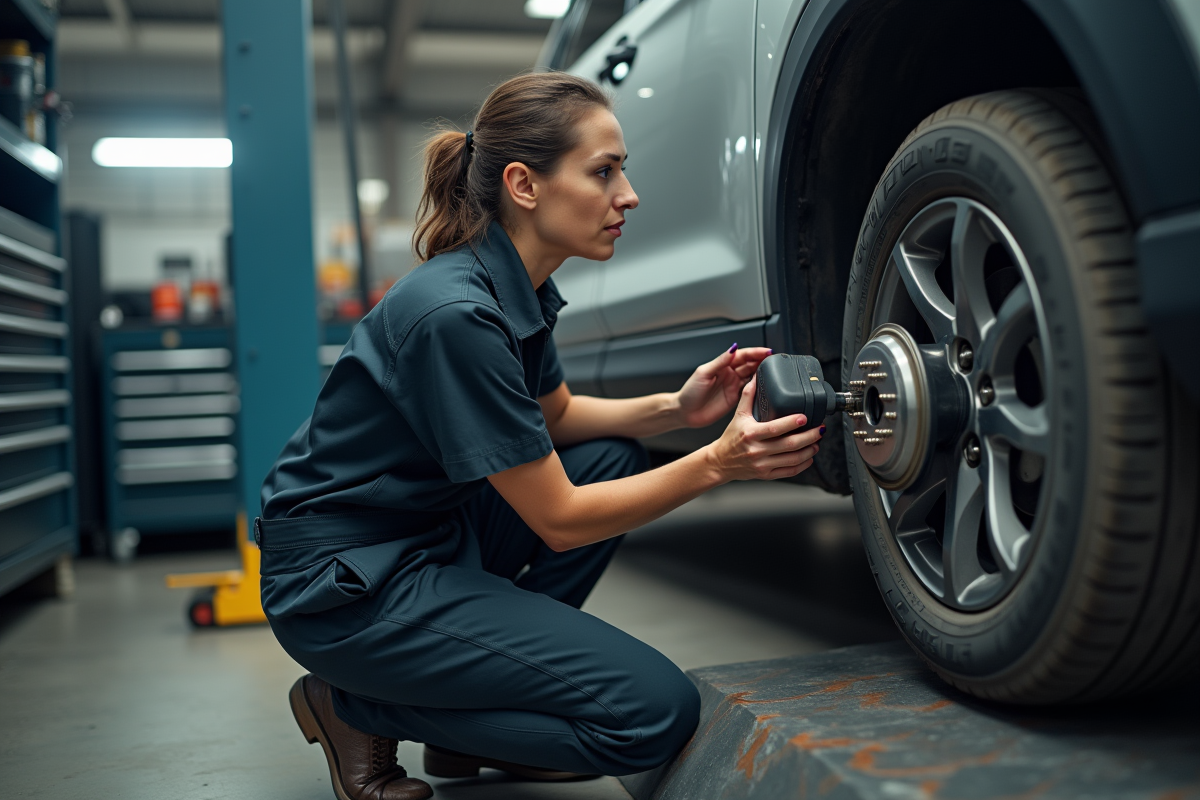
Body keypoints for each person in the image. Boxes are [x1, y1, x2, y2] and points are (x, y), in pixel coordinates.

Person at [258, 72, 824, 800]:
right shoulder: (455, 315)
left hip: (427, 530)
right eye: (604, 171)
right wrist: (717, 464)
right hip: (346, 583)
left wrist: (676, 410)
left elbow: (552, 418)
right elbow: (558, 522)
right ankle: (350, 704)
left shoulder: (518, 284)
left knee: (610, 456)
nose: (629, 195)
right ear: (525, 185)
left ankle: (459, 716)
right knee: (653, 717)